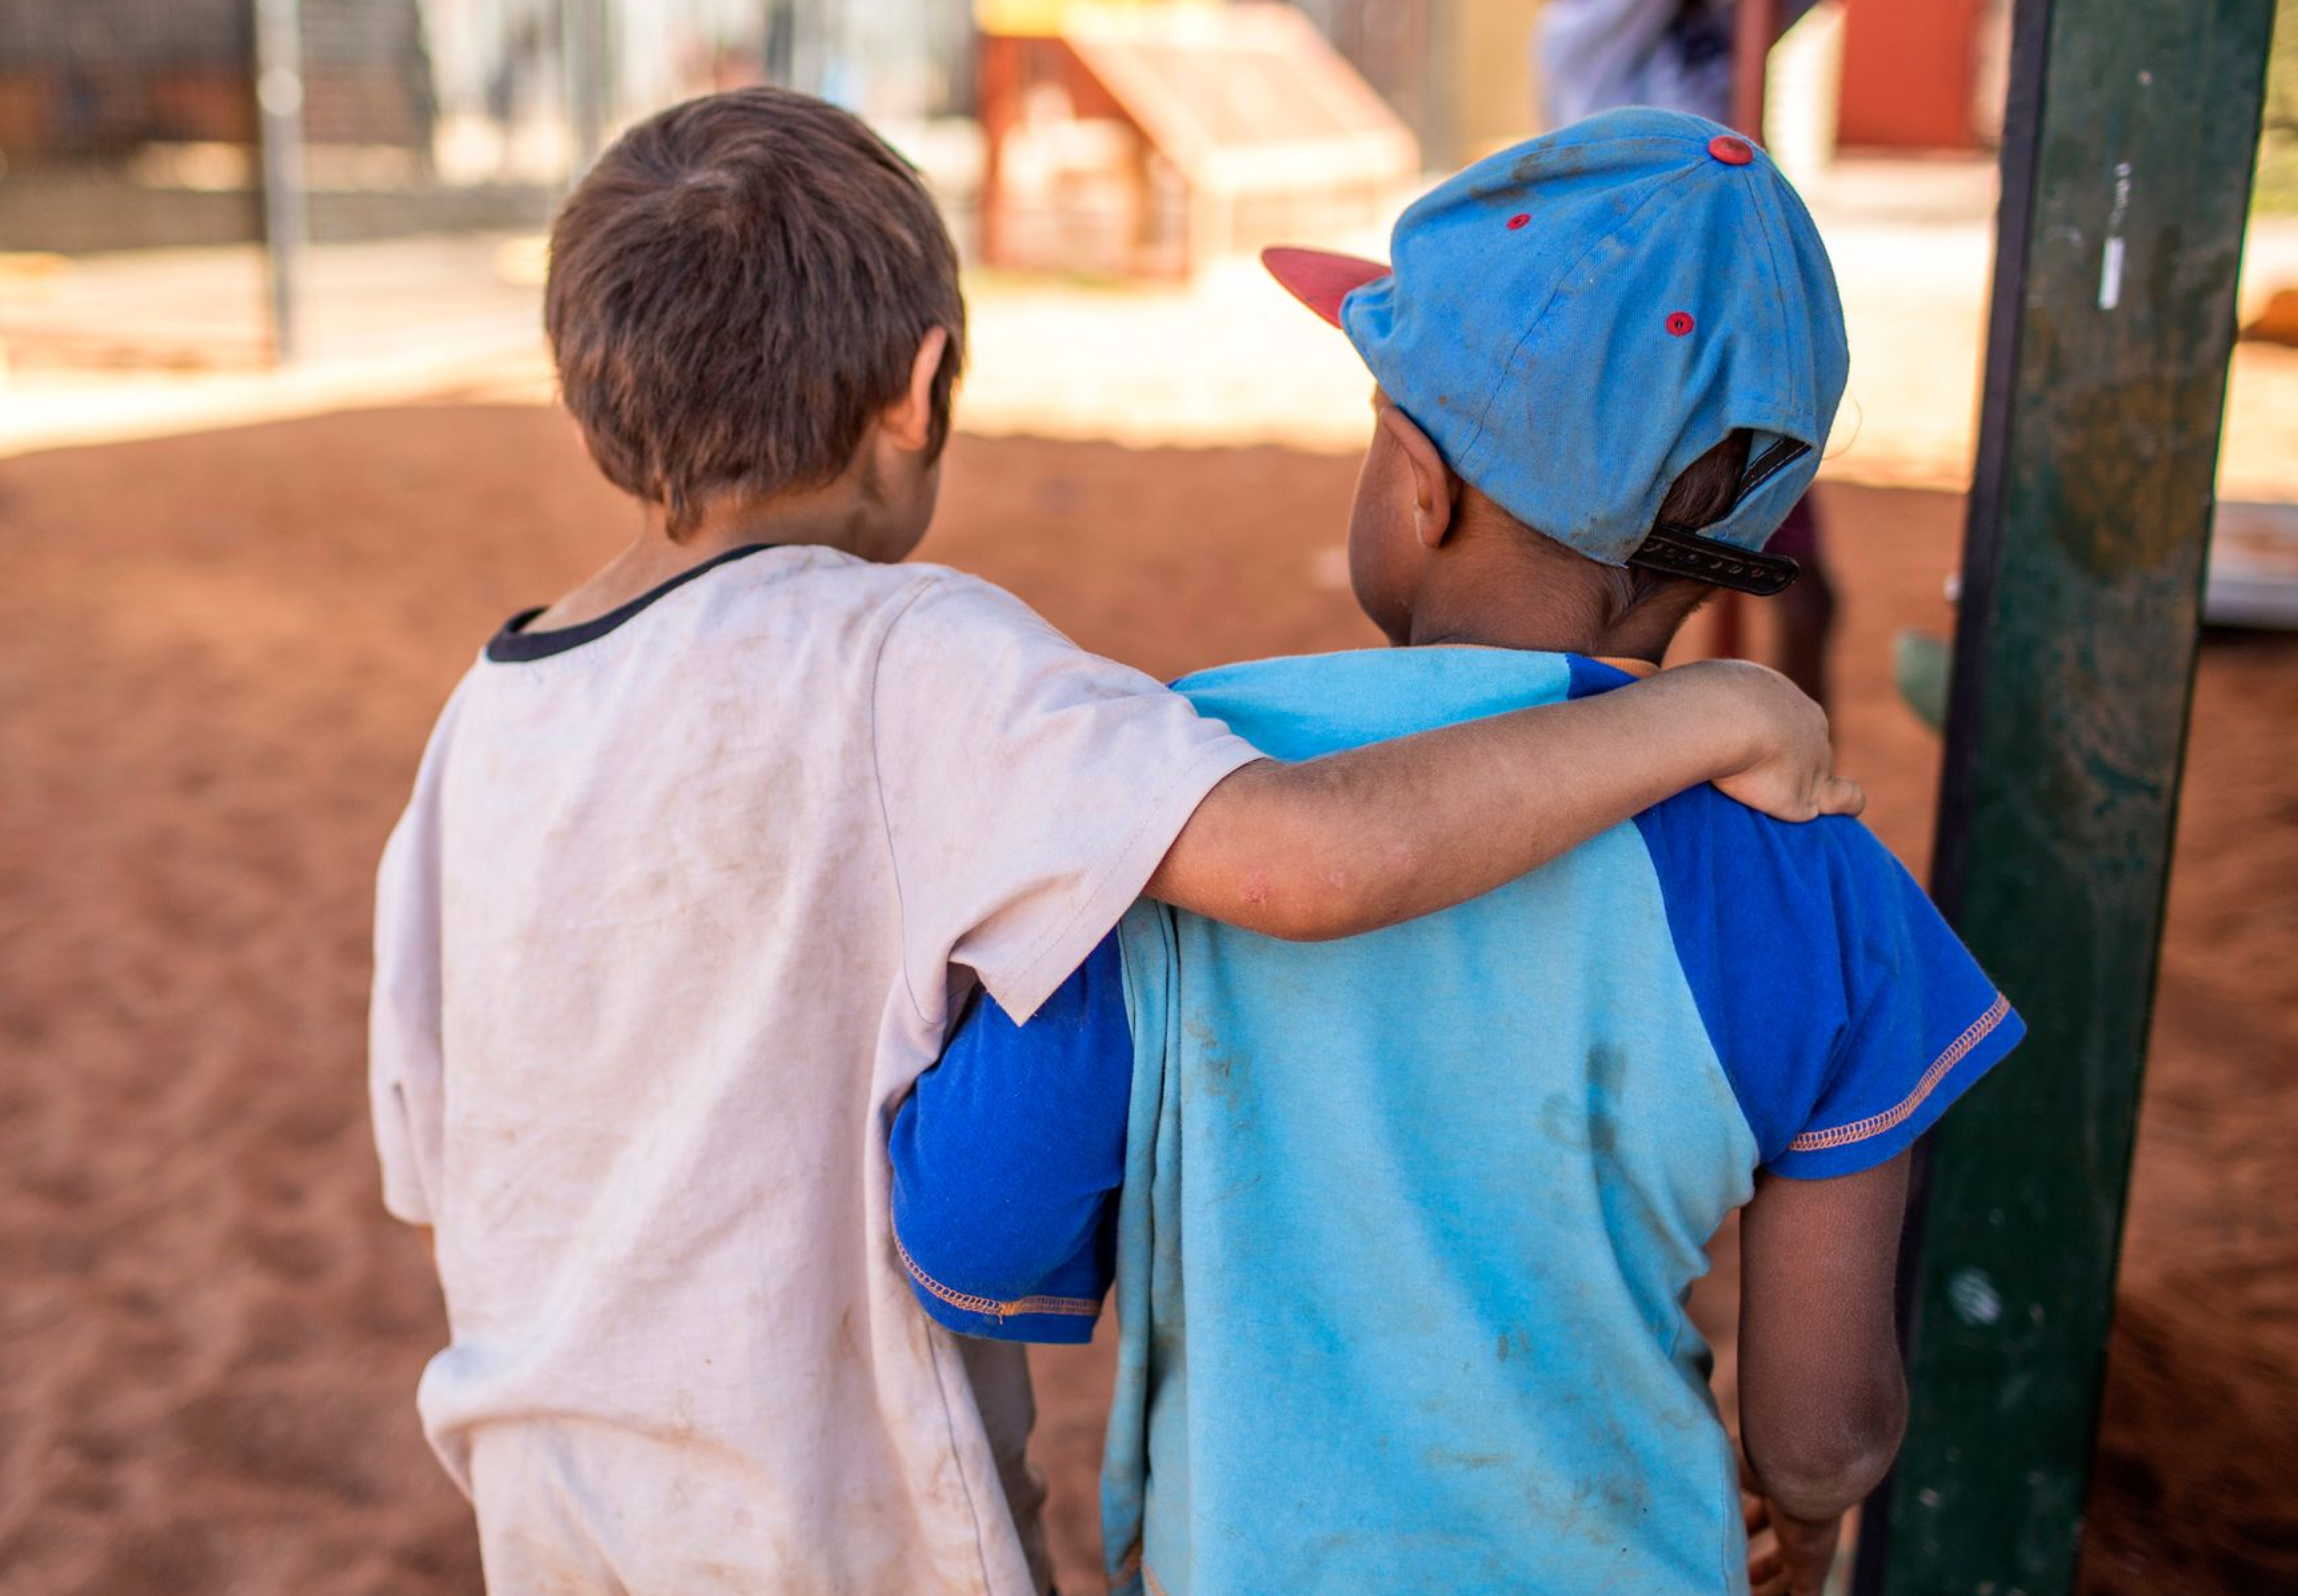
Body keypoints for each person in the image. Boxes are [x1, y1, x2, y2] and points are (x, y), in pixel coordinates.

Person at [365, 90, 1860, 1596]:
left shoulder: (475, 728)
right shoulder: (912, 653)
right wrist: (1710, 717)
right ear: (921, 387)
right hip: (829, 1520)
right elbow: (1300, 867)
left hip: (543, 1503)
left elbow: (436, 1159)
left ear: (589, 399)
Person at [890, 110, 2025, 1596]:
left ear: (1418, 489)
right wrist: (1803, 1519)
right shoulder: (1806, 856)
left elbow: (972, 1222)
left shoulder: (1176, 813)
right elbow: (1823, 1431)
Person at [1539, 0, 1839, 706]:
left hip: (1731, 344)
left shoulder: (1725, 28)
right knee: (1618, 604)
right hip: (1635, 341)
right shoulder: (1585, 31)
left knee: (1803, 595)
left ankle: (1795, 781)